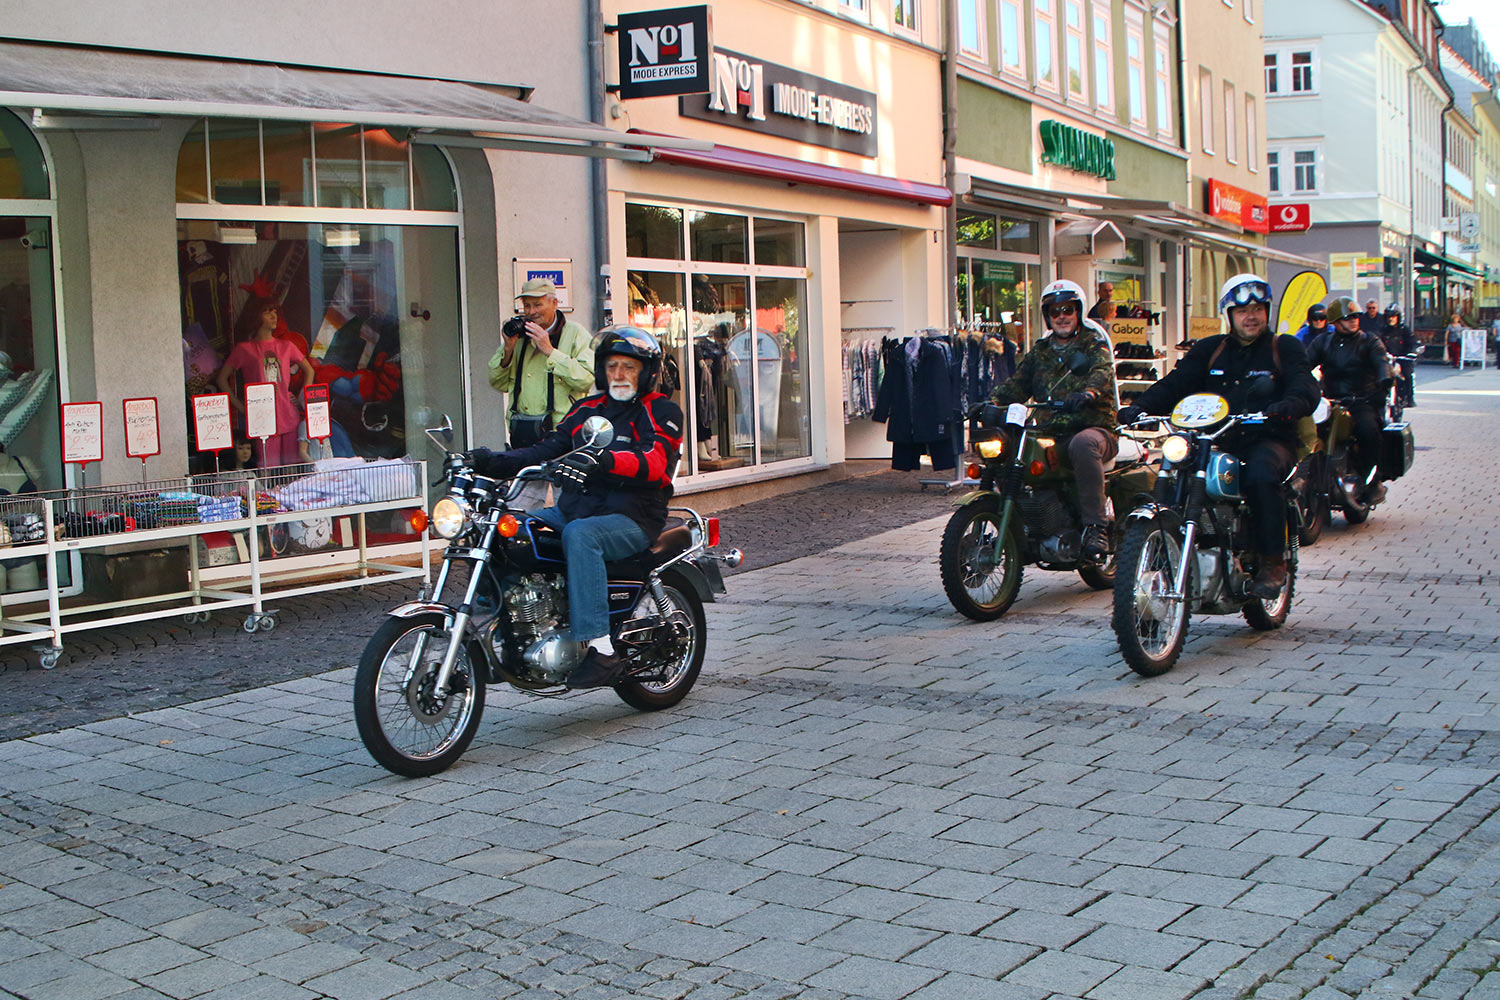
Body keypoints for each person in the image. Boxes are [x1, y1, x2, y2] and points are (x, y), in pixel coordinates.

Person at [470, 329, 685, 689]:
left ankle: (602, 650)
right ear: (602, 372)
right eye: (612, 366)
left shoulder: (661, 410)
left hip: (632, 518)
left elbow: (654, 461)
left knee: (581, 536)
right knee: (511, 530)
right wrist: (489, 461)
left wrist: (604, 461)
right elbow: (546, 448)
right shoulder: (587, 409)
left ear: (646, 372)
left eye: (628, 367)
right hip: (575, 510)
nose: (618, 374)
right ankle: (512, 630)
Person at [1119, 274, 1319, 599]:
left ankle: (1272, 561)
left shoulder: (1284, 347)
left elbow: (1304, 384)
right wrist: (1139, 406)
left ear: (1267, 310)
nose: (1250, 316)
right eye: (1242, 311)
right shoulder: (1210, 350)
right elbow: (1177, 383)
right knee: (1174, 470)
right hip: (1215, 439)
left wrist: (1289, 405)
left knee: (1260, 474)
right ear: (1229, 315)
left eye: (1256, 308)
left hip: (1268, 439)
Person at [986, 279, 1120, 561]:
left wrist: (1087, 392)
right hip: (1049, 431)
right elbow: (1017, 384)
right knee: (1008, 449)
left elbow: (1101, 372)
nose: (1062, 316)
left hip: (1094, 429)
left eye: (1068, 309)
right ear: (1048, 315)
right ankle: (1023, 525)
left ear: (1078, 312)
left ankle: (1096, 528)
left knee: (1083, 445)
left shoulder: (1093, 345)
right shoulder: (1041, 350)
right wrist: (990, 401)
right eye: (1055, 310)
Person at [488, 278, 596, 447]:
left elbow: (586, 380)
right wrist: (508, 349)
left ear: (554, 303)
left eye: (537, 305)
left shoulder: (576, 334)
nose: (531, 311)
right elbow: (497, 382)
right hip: (522, 433)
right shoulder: (519, 337)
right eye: (527, 305)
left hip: (563, 435)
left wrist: (550, 351)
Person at [1310, 297, 1393, 505]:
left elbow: (1381, 361)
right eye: (1348, 318)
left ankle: (1372, 481)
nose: (1354, 320)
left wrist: (1384, 380)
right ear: (1336, 322)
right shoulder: (1323, 342)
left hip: (1361, 400)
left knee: (1368, 431)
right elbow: (1304, 362)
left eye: (1356, 316)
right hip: (1330, 402)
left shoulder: (1369, 341)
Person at [215, 292, 311, 467]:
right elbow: (222, 379)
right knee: (266, 467)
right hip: (262, 418)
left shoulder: (286, 346)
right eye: (267, 312)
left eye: (275, 311)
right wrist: (243, 408)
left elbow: (309, 371)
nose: (274, 316)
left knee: (293, 469)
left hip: (289, 414)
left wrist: (303, 400)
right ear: (256, 316)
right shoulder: (245, 349)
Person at [1378, 305, 1418, 408]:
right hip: (1387, 359)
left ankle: (1409, 398)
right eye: (1389, 316)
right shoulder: (1383, 330)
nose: (1391, 319)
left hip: (1402, 359)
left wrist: (1412, 353)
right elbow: (1377, 343)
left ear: (1398, 317)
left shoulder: (1404, 330)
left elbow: (1413, 342)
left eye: (1393, 316)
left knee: (1408, 374)